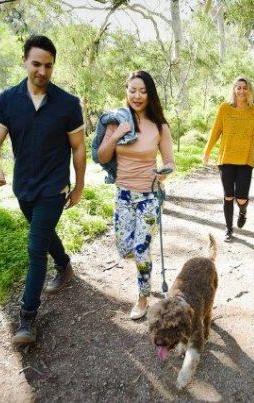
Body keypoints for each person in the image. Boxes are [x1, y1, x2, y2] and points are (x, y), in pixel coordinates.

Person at [0, 35, 86, 345]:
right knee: (43, 232)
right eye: (36, 64)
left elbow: (78, 149)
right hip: (23, 187)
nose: (42, 71)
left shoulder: (67, 103)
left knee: (35, 246)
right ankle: (65, 266)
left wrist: (79, 186)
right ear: (25, 61)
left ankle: (27, 319)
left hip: (54, 187)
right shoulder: (7, 100)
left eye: (48, 65)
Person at [96, 70, 175, 320]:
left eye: (143, 91)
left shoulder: (159, 126)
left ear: (150, 94)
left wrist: (164, 172)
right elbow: (102, 156)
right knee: (125, 248)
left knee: (141, 249)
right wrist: (118, 134)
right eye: (133, 90)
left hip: (149, 196)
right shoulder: (114, 121)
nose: (137, 96)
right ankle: (144, 268)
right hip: (123, 195)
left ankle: (143, 297)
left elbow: (170, 161)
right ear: (126, 92)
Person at [203, 76, 254, 242]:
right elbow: (216, 131)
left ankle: (243, 211)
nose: (241, 91)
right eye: (238, 87)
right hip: (226, 158)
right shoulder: (225, 108)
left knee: (241, 198)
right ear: (234, 89)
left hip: (245, 159)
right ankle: (228, 229)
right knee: (228, 196)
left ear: (250, 90)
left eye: (245, 88)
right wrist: (207, 151)